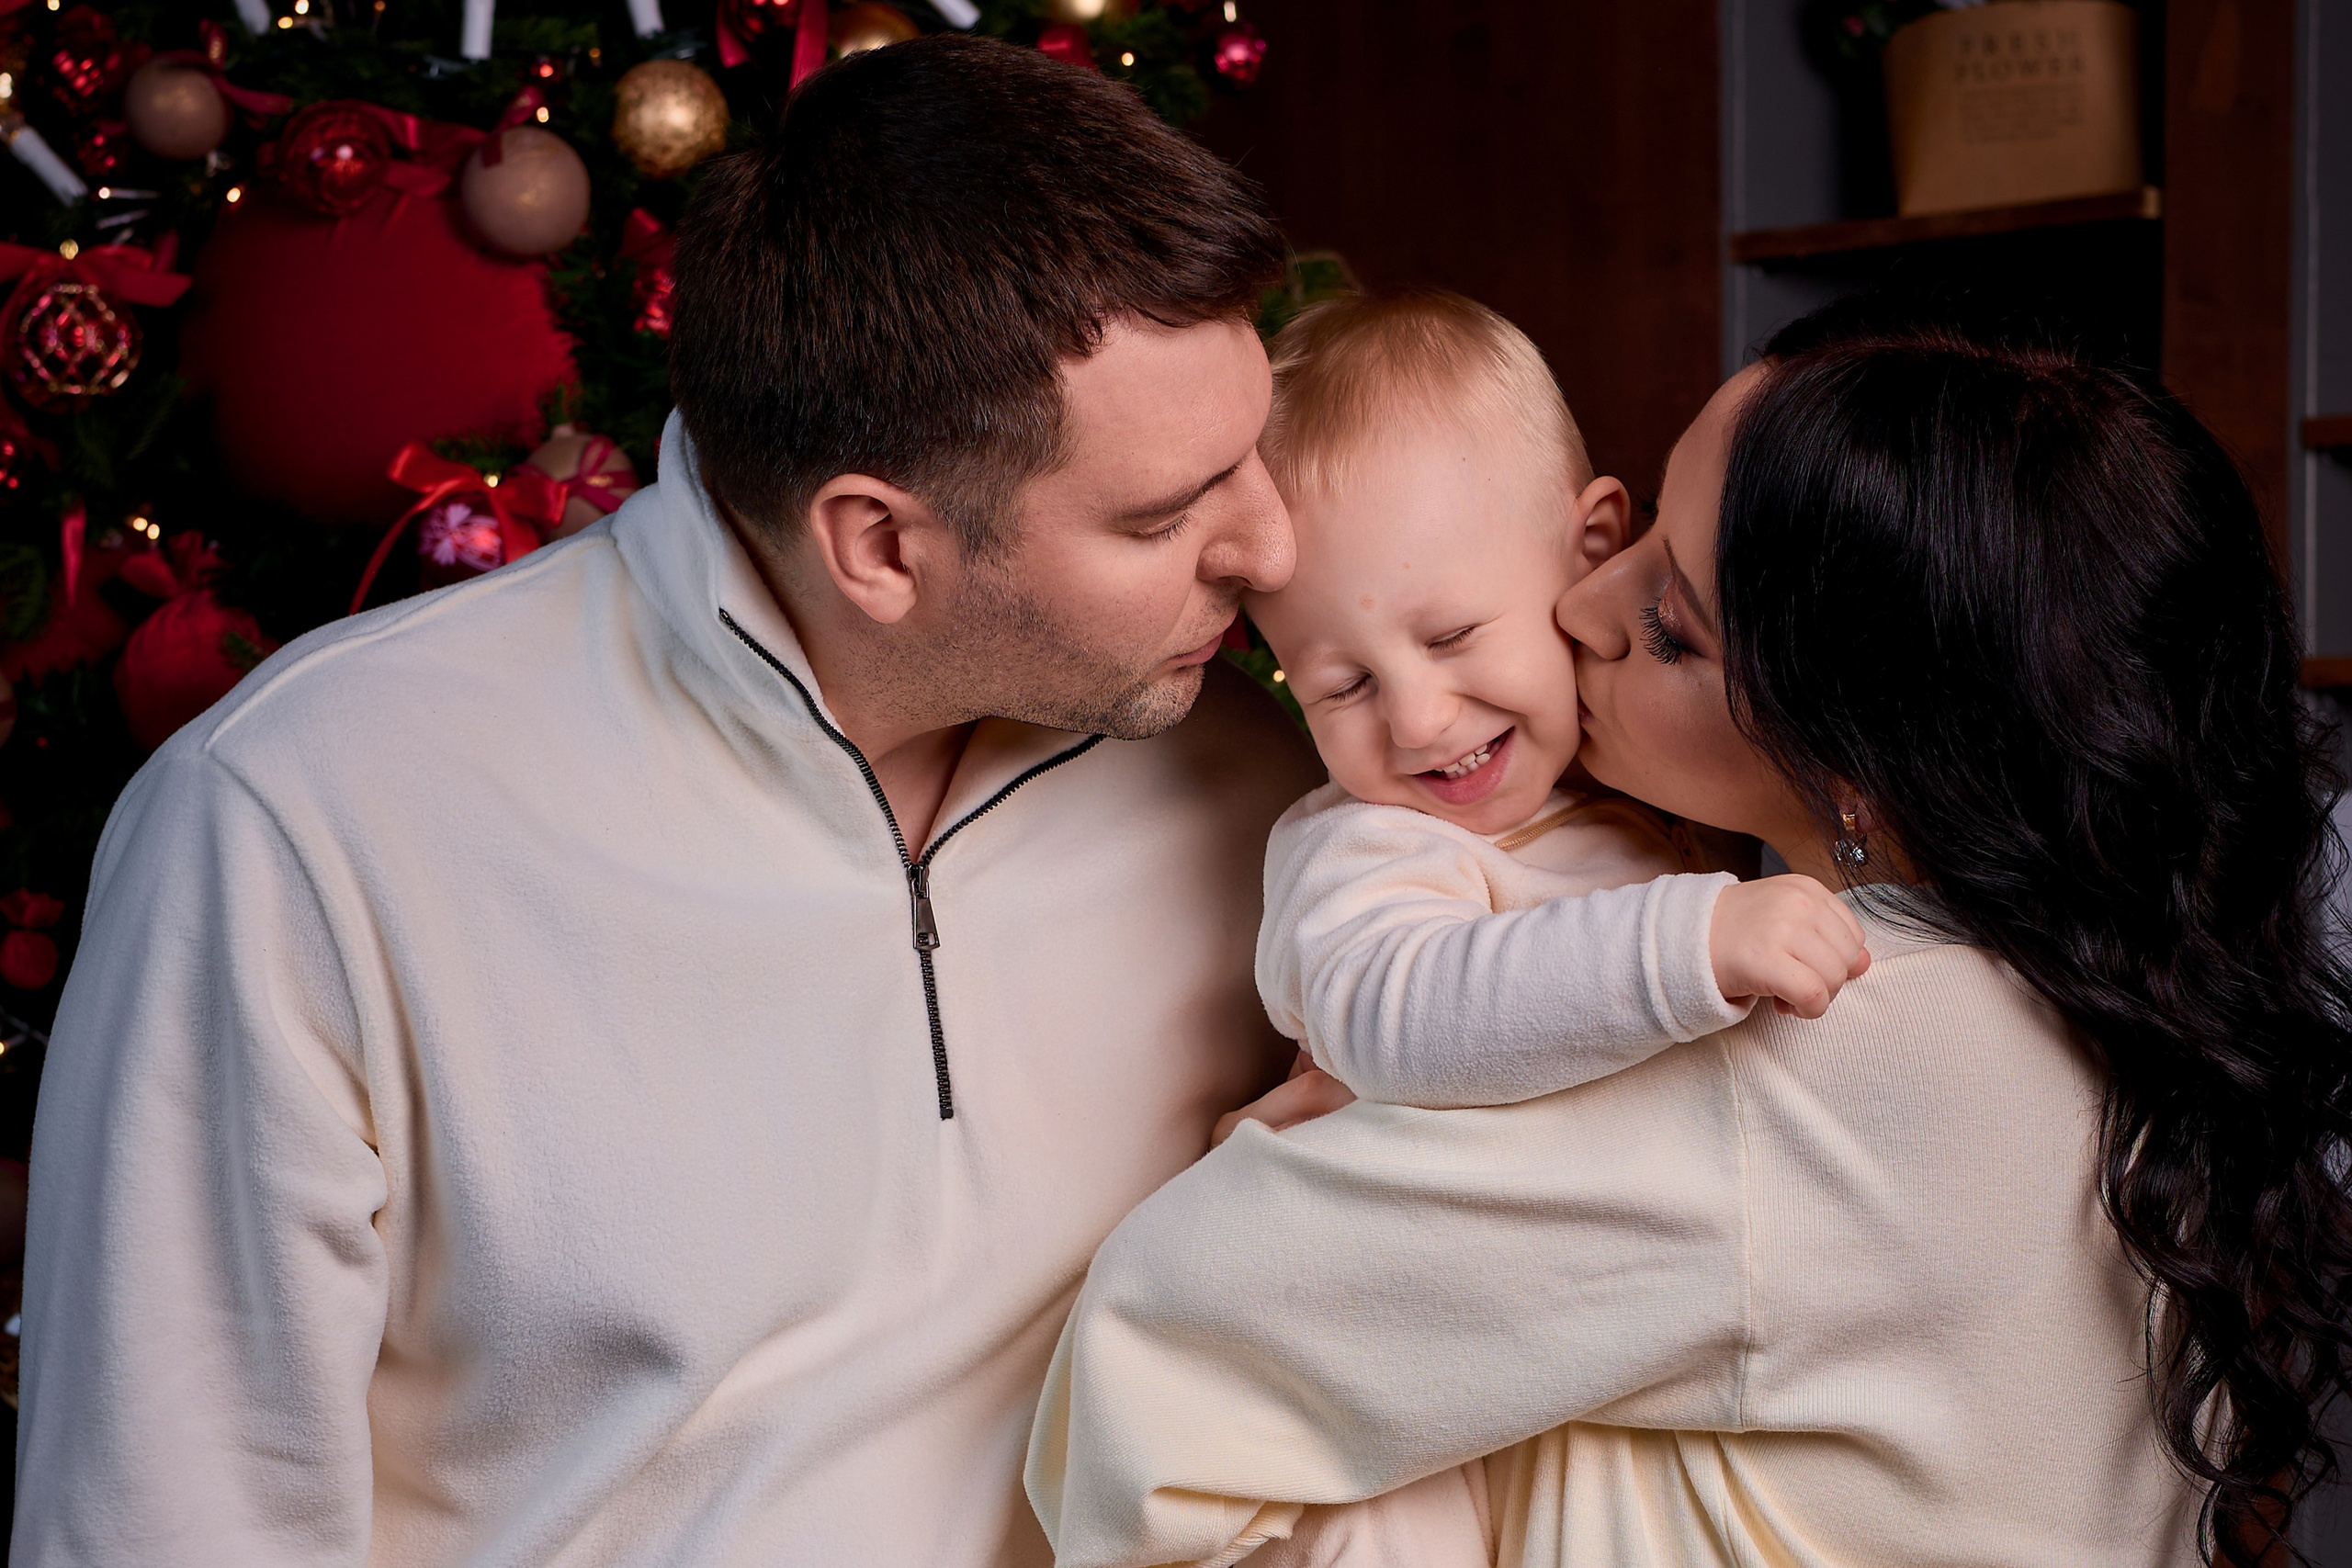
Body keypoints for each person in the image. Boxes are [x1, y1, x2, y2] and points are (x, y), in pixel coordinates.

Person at [15, 36, 1320, 1568]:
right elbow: (173, 1525)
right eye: (1166, 512)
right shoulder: (302, 825)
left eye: (1259, 452)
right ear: (881, 550)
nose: (1277, 549)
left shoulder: (1263, 782)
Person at [1027, 304, 2352, 1567]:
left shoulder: (1830, 1049)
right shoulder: (2100, 981)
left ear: (1860, 762)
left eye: (1671, 623)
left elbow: (1168, 1325)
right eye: (1643, 526)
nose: (1586, 603)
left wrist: (1286, 1147)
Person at [1241, 290, 1868, 1126]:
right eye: (1344, 687)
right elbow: (1388, 1018)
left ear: (1593, 548)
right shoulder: (1364, 846)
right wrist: (1681, 948)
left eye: (1454, 634)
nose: (1418, 722)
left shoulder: (1654, 788)